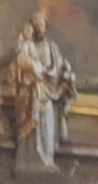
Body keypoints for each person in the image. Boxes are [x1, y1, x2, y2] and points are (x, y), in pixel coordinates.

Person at [13, 10, 77, 167]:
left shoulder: (52, 47)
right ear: (33, 27)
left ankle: (47, 157)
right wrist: (34, 67)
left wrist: (67, 74)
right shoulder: (27, 46)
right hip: (31, 92)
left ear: (46, 27)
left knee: (47, 124)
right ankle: (31, 158)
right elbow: (21, 62)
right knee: (33, 124)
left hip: (48, 92)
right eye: (37, 25)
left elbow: (60, 66)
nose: (40, 28)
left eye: (42, 25)